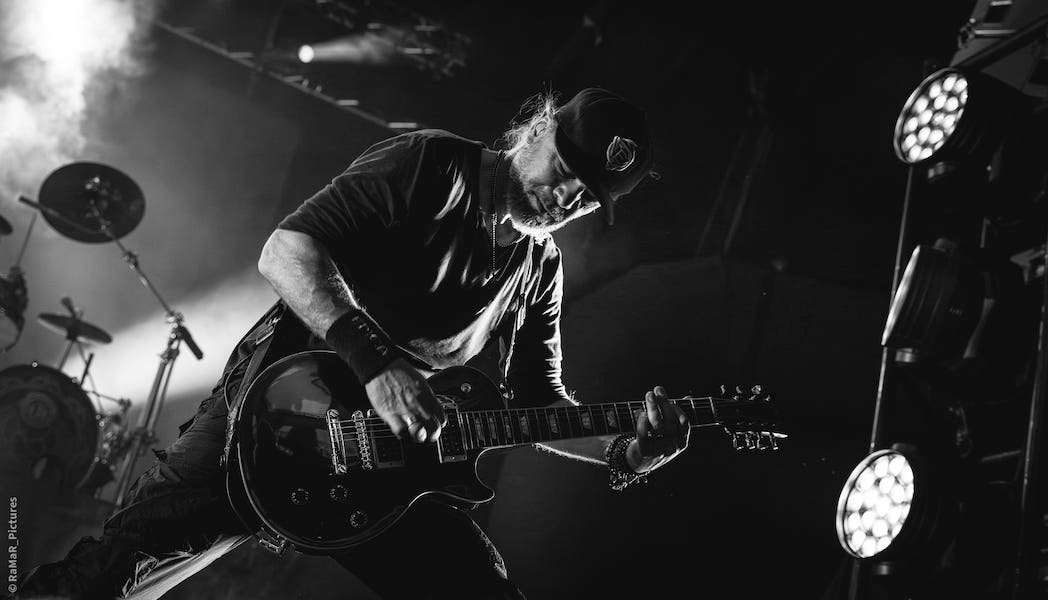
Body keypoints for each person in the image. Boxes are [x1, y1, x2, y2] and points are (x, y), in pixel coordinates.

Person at [18, 87, 690, 599]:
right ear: (539, 127)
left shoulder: (540, 268)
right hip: (279, 409)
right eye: (565, 167)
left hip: (383, 468)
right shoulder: (432, 164)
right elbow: (286, 251)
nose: (565, 196)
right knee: (109, 576)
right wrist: (377, 364)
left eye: (586, 197)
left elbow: (540, 402)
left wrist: (626, 452)